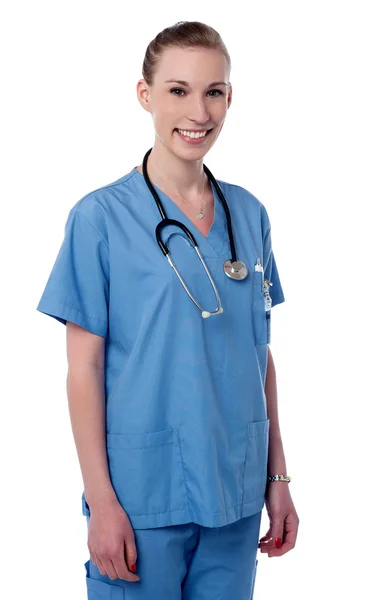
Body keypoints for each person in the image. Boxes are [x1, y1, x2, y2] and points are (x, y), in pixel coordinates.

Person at [36, 20, 299, 600]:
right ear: (145, 95)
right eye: (178, 90)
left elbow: (260, 354)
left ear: (230, 97)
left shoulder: (249, 216)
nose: (198, 111)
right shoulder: (99, 219)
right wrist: (101, 501)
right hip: (141, 497)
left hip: (235, 488)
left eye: (213, 91)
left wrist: (277, 478)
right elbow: (84, 370)